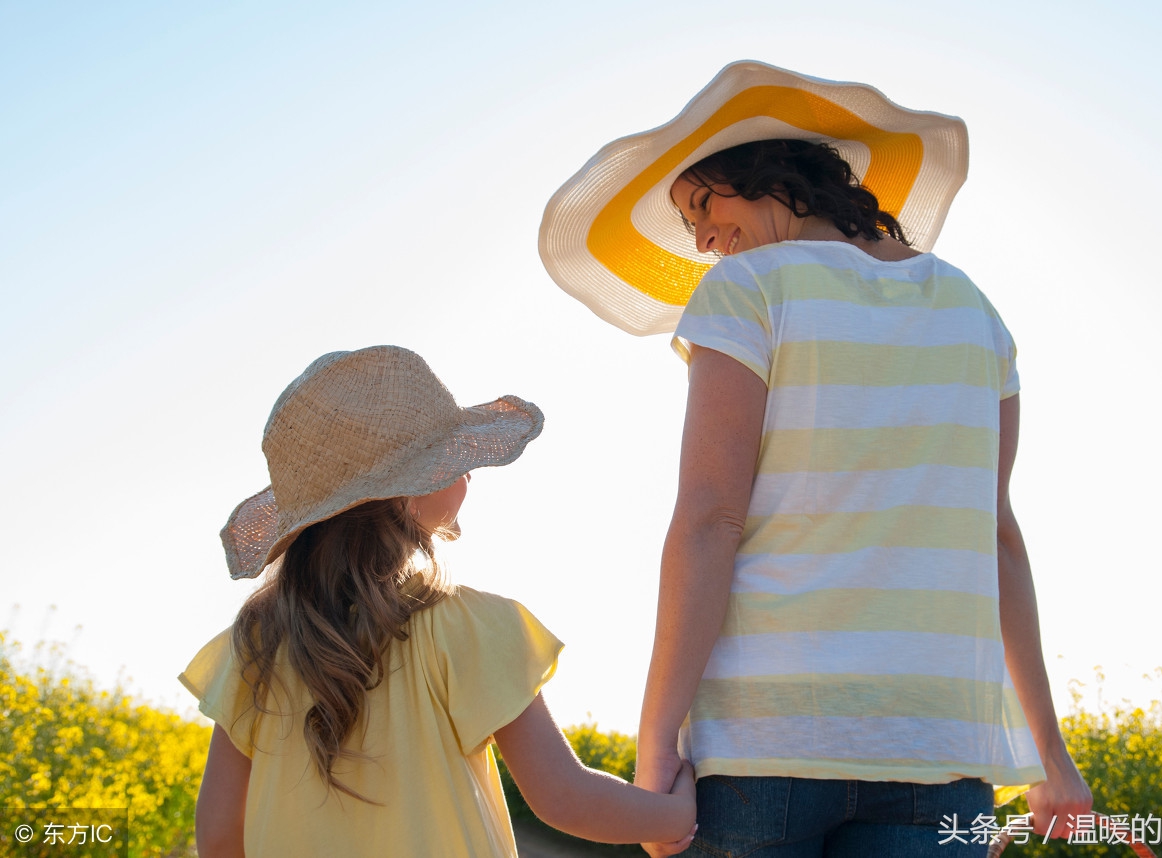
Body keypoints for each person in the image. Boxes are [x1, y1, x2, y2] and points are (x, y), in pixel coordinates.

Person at [538, 63, 1093, 857]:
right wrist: (1051, 757)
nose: (702, 241)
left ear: (770, 177)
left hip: (764, 742)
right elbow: (996, 538)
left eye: (703, 207)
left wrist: (657, 743)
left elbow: (710, 519)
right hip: (937, 743)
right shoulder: (976, 312)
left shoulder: (749, 289)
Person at [181, 345, 696, 858]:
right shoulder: (469, 628)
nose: (467, 472)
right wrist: (674, 816)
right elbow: (564, 796)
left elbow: (220, 836)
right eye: (450, 460)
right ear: (408, 492)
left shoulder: (253, 649)